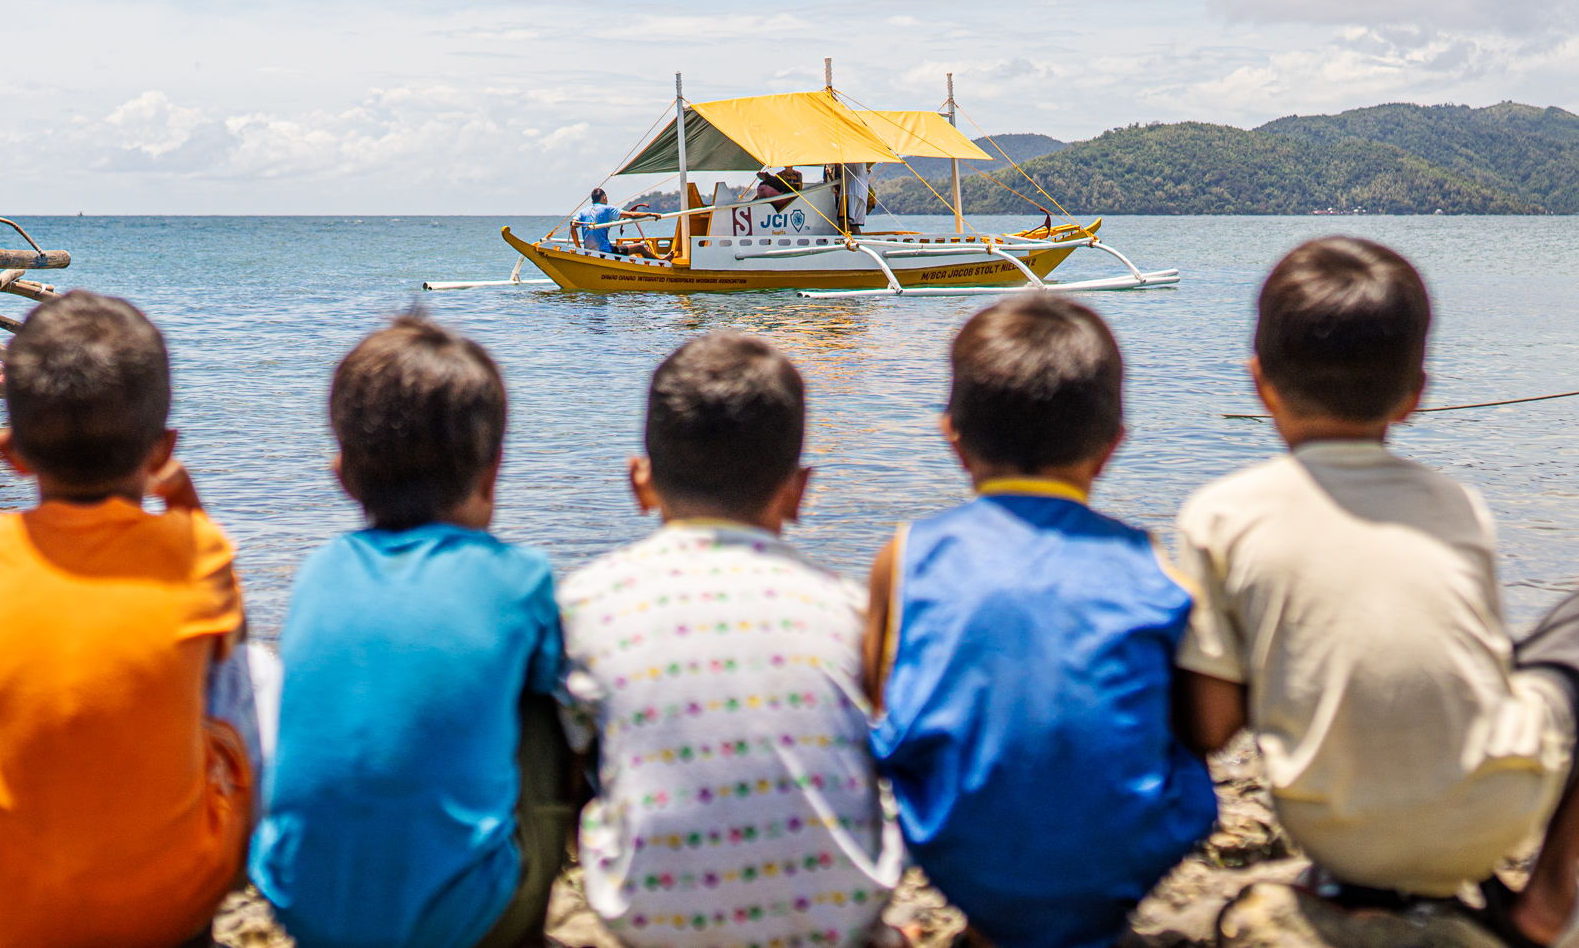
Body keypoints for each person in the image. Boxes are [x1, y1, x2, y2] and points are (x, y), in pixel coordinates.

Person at [1173, 237, 1579, 948]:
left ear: (1258, 381)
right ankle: (1551, 888)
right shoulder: (1457, 503)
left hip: (1332, 833)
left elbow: (1211, 726)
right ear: (1416, 393)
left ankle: (1356, 883)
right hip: (1495, 822)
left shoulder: (1220, 513)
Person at [0, 290, 271, 948]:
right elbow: (230, 645)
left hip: (2, 912)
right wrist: (189, 508)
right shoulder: (196, 550)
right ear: (163, 447)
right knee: (254, 666)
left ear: (11, 452)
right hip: (170, 910)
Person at [864, 296, 1217, 948]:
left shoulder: (908, 554)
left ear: (952, 436)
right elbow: (1197, 723)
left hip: (958, 855)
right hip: (1119, 862)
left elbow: (884, 700)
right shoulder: (1147, 560)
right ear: (1112, 445)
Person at [558, 331, 903, 948]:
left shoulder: (587, 603)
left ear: (640, 480)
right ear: (799, 490)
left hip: (655, 927)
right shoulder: (846, 610)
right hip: (838, 925)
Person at [251, 317, 572, 948]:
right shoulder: (519, 577)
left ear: (341, 473)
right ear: (492, 471)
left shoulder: (319, 571)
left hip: (299, 904)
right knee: (544, 703)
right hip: (465, 923)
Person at [572, 187, 663, 258]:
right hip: (606, 252)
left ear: (592, 201)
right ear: (604, 198)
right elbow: (632, 215)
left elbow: (573, 225)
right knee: (640, 247)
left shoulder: (582, 212)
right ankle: (662, 261)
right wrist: (650, 214)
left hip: (589, 252)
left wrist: (579, 249)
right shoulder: (608, 209)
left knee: (626, 251)